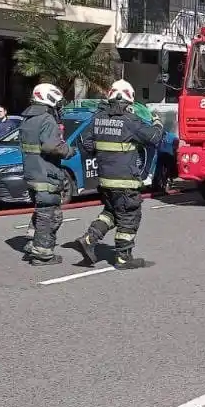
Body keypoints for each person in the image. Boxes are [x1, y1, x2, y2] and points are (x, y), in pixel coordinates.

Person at [70, 80, 164, 270]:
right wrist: (157, 123)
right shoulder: (130, 121)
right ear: (129, 99)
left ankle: (89, 239)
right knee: (129, 215)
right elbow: (154, 138)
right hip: (125, 180)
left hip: (105, 179)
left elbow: (85, 143)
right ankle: (123, 257)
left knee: (112, 212)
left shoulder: (97, 119)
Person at [18, 83, 75, 264]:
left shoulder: (27, 119)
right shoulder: (46, 119)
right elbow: (51, 146)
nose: (59, 107)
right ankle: (42, 254)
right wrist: (68, 150)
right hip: (46, 174)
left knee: (41, 210)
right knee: (50, 214)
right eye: (57, 103)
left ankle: (32, 242)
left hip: (32, 174)